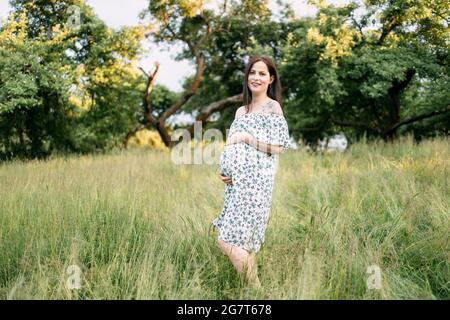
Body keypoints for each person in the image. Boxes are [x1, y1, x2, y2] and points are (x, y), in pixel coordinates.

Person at [212, 55, 291, 288]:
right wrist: (224, 170)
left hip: (256, 185)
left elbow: (278, 146)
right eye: (252, 72)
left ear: (271, 79)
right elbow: (232, 146)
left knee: (225, 241)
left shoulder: (271, 107)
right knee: (244, 243)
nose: (256, 77)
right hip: (235, 186)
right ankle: (254, 294)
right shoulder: (240, 111)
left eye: (262, 73)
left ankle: (258, 292)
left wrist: (248, 137)